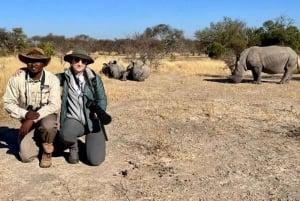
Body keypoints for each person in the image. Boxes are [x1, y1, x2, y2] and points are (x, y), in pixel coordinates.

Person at [3, 47, 61, 168]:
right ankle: (37, 138)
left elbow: (54, 105)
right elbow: (8, 102)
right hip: (26, 117)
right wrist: (25, 115)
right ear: (25, 62)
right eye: (29, 60)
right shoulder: (17, 78)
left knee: (49, 125)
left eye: (37, 61)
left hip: (45, 117)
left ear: (44, 63)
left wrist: (32, 118)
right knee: (26, 157)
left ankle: (47, 149)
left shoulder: (52, 79)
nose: (33, 64)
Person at [56, 48, 108, 166]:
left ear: (86, 64)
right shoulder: (64, 77)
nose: (79, 63)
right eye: (76, 60)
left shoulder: (94, 79)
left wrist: (99, 112)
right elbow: (44, 77)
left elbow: (102, 99)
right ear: (71, 61)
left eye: (83, 61)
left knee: (95, 161)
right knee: (65, 133)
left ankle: (93, 143)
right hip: (74, 119)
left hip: (93, 121)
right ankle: (73, 148)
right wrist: (24, 70)